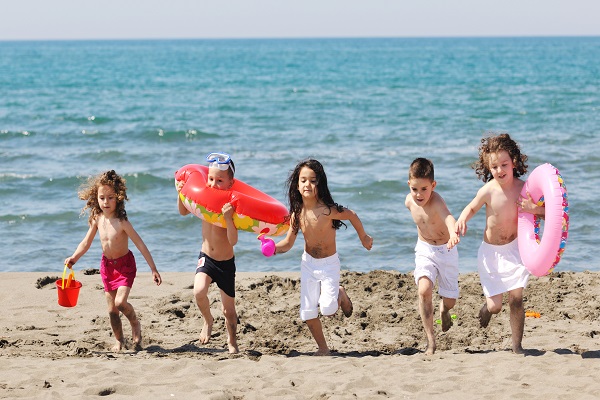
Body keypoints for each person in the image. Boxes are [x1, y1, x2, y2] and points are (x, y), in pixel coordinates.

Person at [272, 159, 373, 356]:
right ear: (297, 184)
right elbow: (288, 243)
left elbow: (352, 215)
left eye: (313, 180)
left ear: (320, 184)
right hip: (308, 264)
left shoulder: (328, 210)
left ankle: (340, 294)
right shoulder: (297, 213)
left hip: (329, 265)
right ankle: (323, 348)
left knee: (327, 309)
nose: (307, 185)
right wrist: (272, 248)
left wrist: (364, 237)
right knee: (308, 312)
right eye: (303, 180)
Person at [455, 133, 544, 354]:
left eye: (504, 164)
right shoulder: (488, 190)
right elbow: (472, 207)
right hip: (491, 254)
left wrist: (533, 209)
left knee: (516, 297)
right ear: (488, 167)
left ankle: (517, 346)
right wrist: (462, 220)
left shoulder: (524, 189)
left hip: (515, 250)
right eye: (494, 167)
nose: (499, 170)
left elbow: (548, 214)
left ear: (513, 161)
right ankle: (487, 309)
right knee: (496, 306)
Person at [65, 170, 162, 352]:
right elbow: (86, 243)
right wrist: (74, 258)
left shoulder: (122, 221)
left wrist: (153, 269)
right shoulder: (97, 219)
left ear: (118, 198)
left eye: (110, 198)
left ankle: (135, 322)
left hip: (125, 266)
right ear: (97, 198)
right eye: (102, 198)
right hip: (107, 267)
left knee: (120, 303)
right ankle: (119, 340)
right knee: (111, 310)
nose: (106, 202)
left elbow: (140, 244)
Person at [177, 152, 240, 354]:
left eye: (219, 180)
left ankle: (232, 341)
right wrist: (180, 194)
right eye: (211, 179)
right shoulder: (204, 199)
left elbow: (233, 240)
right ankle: (208, 320)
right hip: (206, 258)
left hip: (225, 264)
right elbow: (184, 211)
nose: (213, 184)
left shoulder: (231, 207)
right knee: (198, 291)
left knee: (229, 312)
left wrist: (229, 219)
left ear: (231, 183)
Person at [405, 158, 460, 355]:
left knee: (450, 300)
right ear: (409, 185)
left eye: (424, 189)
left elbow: (448, 217)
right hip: (425, 249)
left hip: (446, 250)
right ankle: (430, 341)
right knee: (424, 289)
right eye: (415, 189)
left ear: (433, 186)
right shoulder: (409, 201)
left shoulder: (437, 201)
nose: (419, 194)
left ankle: (444, 310)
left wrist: (453, 233)